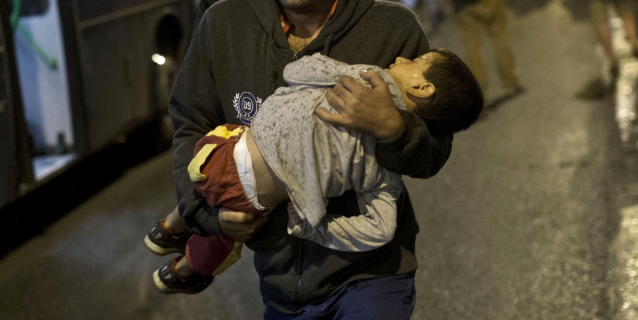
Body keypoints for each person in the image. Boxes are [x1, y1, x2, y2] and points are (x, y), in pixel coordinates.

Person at [167, 0, 454, 320]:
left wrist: (394, 129)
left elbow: (434, 152)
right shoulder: (225, 26)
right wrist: (209, 218)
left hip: (371, 277)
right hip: (280, 287)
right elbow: (190, 125)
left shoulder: (392, 29)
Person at [148, 50, 482, 293]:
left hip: (225, 151)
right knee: (224, 232)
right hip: (254, 201)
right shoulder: (383, 169)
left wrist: (330, 66)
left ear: (423, 89)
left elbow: (298, 70)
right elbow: (381, 227)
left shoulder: (366, 76)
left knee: (210, 172)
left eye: (417, 62)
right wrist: (313, 225)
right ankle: (185, 268)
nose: (402, 59)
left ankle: (169, 230)